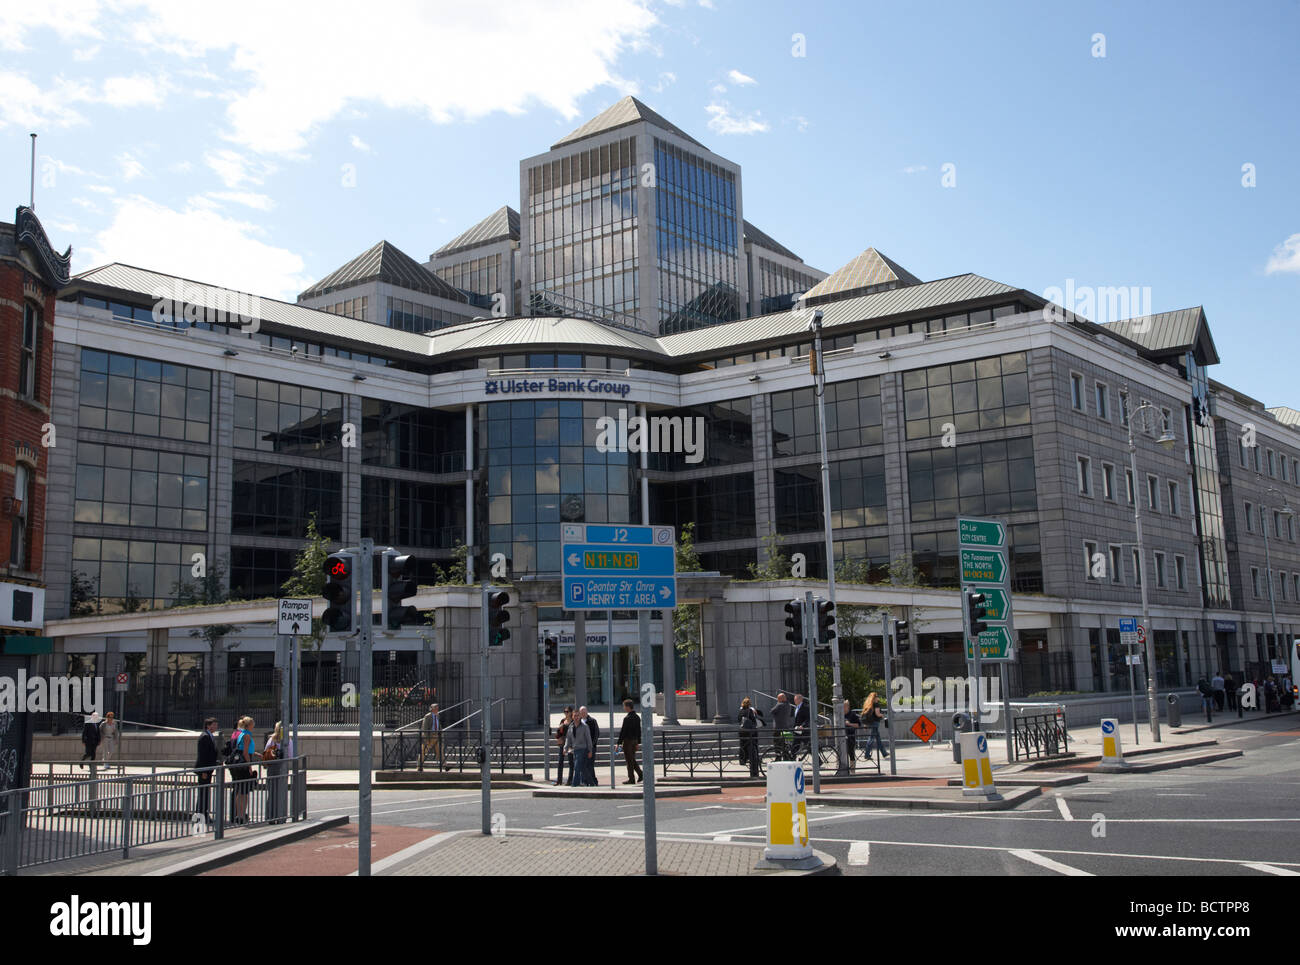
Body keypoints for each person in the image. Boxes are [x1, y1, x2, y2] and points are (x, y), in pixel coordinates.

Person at [227, 716, 261, 825]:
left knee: (240, 790)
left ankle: (239, 815)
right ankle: (241, 815)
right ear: (249, 725)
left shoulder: (239, 733)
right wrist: (249, 766)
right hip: (244, 764)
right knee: (244, 792)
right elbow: (245, 752)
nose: (254, 726)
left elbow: (241, 749)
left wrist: (255, 754)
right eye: (252, 724)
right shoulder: (246, 735)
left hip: (238, 764)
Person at [194, 718, 220, 820]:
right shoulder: (205, 737)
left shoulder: (209, 736)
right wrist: (204, 770)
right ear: (208, 726)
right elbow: (203, 755)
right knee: (203, 792)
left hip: (208, 768)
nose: (216, 727)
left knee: (205, 792)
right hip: (204, 769)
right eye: (214, 725)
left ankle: (202, 813)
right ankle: (201, 815)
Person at [264, 722, 288, 824]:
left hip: (272, 768)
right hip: (281, 767)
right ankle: (281, 816)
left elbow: (265, 752)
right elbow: (290, 754)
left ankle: (270, 816)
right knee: (281, 792)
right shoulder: (287, 740)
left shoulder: (271, 740)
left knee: (272, 792)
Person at [563, 705, 593, 787]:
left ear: (580, 716)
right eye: (574, 716)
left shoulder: (584, 727)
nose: (576, 717)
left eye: (577, 715)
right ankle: (592, 783)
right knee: (583, 768)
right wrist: (565, 748)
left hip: (583, 749)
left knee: (576, 767)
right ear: (572, 717)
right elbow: (568, 739)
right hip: (575, 750)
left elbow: (588, 739)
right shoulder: (571, 727)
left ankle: (574, 784)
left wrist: (590, 750)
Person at [618, 699, 643, 784]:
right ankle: (640, 774)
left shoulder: (627, 718)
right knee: (632, 759)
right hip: (634, 741)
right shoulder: (637, 717)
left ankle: (631, 779)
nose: (624, 708)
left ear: (628, 707)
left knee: (629, 761)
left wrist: (618, 743)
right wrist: (638, 743)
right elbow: (639, 731)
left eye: (624, 706)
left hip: (628, 741)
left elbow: (623, 732)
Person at [738, 697, 764, 777]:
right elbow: (753, 720)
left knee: (743, 746)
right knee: (753, 747)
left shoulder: (741, 711)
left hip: (742, 732)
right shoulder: (750, 711)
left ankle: (743, 759)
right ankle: (753, 764)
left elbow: (739, 720)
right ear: (749, 704)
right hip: (750, 733)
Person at [861, 693, 887, 761]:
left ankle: (884, 753)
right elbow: (877, 714)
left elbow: (867, 715)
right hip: (875, 723)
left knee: (878, 738)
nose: (878, 698)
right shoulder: (876, 704)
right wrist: (882, 715)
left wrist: (866, 724)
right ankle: (866, 754)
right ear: (875, 698)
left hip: (871, 723)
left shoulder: (869, 704)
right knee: (871, 738)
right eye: (877, 696)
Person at [770, 693, 794, 761]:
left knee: (776, 743)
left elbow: (772, 711)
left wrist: (777, 703)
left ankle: (778, 757)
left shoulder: (779, 705)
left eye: (778, 698)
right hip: (786, 727)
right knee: (785, 743)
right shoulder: (789, 705)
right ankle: (786, 757)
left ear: (781, 699)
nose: (777, 700)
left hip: (778, 728)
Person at [554, 707, 574, 786]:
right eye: (564, 712)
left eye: (567, 712)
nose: (565, 713)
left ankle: (570, 780)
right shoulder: (563, 721)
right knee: (560, 762)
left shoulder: (573, 722)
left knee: (570, 762)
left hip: (570, 744)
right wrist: (559, 731)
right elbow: (558, 733)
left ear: (571, 712)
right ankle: (559, 781)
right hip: (562, 743)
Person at [582, 707, 600, 785]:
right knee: (583, 764)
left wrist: (592, 745)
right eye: (581, 712)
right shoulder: (578, 721)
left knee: (590, 764)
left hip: (591, 747)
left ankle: (593, 780)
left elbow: (596, 734)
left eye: (584, 712)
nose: (583, 714)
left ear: (587, 712)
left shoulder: (592, 721)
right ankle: (585, 781)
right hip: (581, 747)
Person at [422, 703, 442, 770]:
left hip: (436, 735)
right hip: (430, 736)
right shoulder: (428, 716)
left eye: (437, 708)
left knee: (439, 750)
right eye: (435, 708)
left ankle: (444, 765)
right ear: (432, 709)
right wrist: (426, 739)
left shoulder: (437, 715)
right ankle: (419, 766)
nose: (437, 709)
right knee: (424, 752)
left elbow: (438, 725)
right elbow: (425, 727)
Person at [843, 700, 861, 772]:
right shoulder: (840, 714)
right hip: (841, 737)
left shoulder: (852, 715)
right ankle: (841, 769)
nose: (843, 708)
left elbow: (858, 725)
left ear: (848, 707)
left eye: (844, 706)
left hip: (850, 736)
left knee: (851, 753)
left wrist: (849, 724)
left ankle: (852, 770)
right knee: (841, 753)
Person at [792, 694, 811, 759]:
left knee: (808, 746)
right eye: (794, 699)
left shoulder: (805, 707)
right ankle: (792, 760)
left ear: (800, 699)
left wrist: (802, 726)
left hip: (803, 730)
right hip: (797, 730)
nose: (794, 700)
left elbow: (808, 718)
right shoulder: (796, 707)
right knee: (795, 746)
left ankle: (819, 760)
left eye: (796, 699)